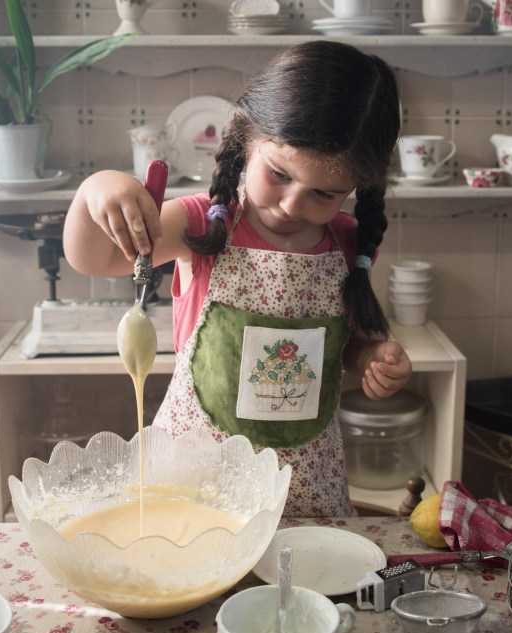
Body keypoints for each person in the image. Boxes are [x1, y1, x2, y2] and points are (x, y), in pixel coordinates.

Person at [63, 40, 413, 517]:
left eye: (324, 193)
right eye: (279, 174)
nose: (292, 205)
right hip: (194, 491)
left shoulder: (349, 243)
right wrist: (94, 191)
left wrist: (374, 357)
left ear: (357, 188)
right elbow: (94, 258)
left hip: (302, 494)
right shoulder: (202, 225)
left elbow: (344, 345)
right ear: (247, 138)